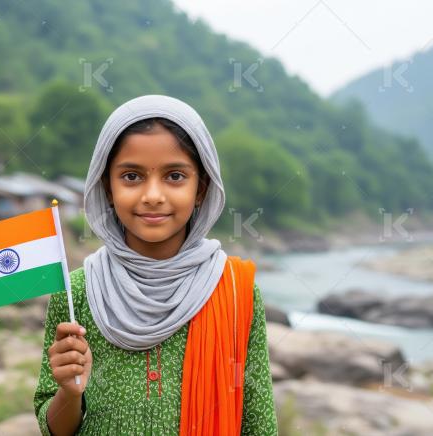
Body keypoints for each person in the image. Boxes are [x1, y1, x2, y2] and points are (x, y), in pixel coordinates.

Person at [33, 95, 278, 435]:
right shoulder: (77, 292)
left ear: (201, 188)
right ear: (107, 186)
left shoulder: (235, 290)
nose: (152, 195)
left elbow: (258, 423)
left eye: (174, 176)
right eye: (131, 176)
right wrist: (69, 392)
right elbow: (55, 430)